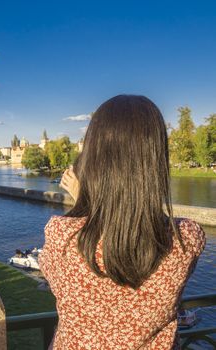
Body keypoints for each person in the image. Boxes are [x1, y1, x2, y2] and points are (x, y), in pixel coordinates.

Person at [39, 95, 206, 350]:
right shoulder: (186, 238)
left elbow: (55, 276)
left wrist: (82, 200)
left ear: (94, 159)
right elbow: (132, 230)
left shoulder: (63, 235)